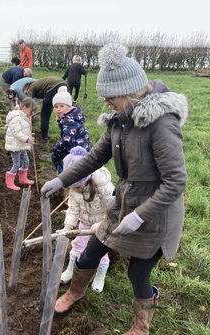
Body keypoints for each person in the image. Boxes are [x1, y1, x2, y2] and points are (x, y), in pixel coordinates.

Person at [41, 43, 188, 333]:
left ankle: (141, 325)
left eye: (111, 97)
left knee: (137, 273)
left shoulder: (161, 124)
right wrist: (62, 179)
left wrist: (140, 216)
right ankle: (76, 292)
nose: (107, 103)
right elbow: (96, 157)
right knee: (91, 252)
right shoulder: (120, 122)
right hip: (124, 203)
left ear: (128, 92)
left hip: (156, 213)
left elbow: (176, 181)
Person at [57, 146, 114, 294]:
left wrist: (103, 223)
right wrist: (68, 227)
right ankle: (70, 270)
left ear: (86, 179)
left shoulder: (102, 185)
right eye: (72, 186)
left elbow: (115, 208)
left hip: (103, 222)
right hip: (85, 221)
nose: (75, 190)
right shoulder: (74, 190)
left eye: (77, 186)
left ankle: (100, 276)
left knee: (101, 250)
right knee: (77, 244)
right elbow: (73, 209)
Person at [51, 86, 90, 173]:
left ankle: (63, 176)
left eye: (62, 106)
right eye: (56, 106)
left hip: (77, 150)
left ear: (69, 106)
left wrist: (57, 147)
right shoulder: (73, 115)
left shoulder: (68, 120)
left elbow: (67, 140)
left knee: (54, 156)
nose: (58, 109)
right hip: (82, 147)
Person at [23, 76, 69, 145]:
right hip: (66, 86)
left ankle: (43, 139)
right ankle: (67, 137)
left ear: (26, 88)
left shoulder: (31, 87)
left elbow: (28, 103)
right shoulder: (40, 84)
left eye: (25, 93)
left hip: (54, 88)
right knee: (65, 115)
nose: (26, 94)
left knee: (45, 115)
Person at [4, 97, 37, 191]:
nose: (33, 113)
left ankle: (23, 179)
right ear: (25, 108)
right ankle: (9, 183)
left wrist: (28, 138)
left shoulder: (23, 118)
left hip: (21, 145)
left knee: (26, 161)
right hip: (15, 145)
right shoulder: (16, 118)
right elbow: (17, 133)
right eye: (32, 110)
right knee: (16, 164)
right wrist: (27, 139)